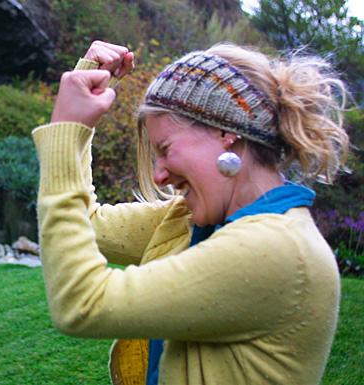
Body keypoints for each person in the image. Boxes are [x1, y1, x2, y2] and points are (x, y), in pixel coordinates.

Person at [32, 41, 349, 385]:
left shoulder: (277, 249)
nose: (159, 174)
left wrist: (65, 131)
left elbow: (82, 304)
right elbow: (88, 224)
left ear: (226, 131)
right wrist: (83, 100)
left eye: (165, 149)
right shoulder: (190, 222)